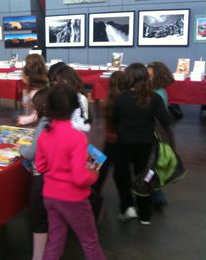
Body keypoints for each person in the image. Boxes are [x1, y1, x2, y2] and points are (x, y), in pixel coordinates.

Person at [35, 84, 105, 260]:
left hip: (50, 196)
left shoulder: (45, 133)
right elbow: (80, 178)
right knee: (90, 242)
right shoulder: (77, 137)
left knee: (55, 241)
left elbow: (41, 166)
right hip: (73, 199)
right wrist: (94, 174)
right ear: (75, 107)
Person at [112, 63, 170, 225]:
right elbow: (165, 120)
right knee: (145, 177)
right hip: (146, 144)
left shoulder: (121, 99)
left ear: (129, 78)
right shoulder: (155, 98)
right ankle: (145, 214)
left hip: (123, 143)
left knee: (121, 176)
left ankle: (127, 207)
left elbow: (114, 120)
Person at [18, 88, 50, 260]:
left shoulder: (45, 122)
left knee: (38, 216)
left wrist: (21, 148)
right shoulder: (54, 119)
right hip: (51, 176)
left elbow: (32, 152)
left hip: (42, 177)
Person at [91, 70, 126, 222]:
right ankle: (126, 203)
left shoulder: (109, 102)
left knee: (103, 168)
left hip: (110, 140)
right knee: (121, 174)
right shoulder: (124, 102)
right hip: (121, 141)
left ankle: (94, 195)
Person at [147, 61, 175, 210]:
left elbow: (158, 118)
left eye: (150, 76)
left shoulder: (157, 95)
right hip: (158, 133)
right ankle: (157, 195)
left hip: (155, 134)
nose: (147, 79)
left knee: (151, 164)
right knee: (153, 165)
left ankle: (155, 195)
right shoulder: (160, 92)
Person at [53, 65, 91, 132]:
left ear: (65, 81)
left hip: (72, 135)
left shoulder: (80, 98)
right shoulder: (58, 96)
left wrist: (64, 124)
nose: (55, 84)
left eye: (57, 82)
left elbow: (85, 126)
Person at [17, 54, 48, 126]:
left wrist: (24, 120)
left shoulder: (37, 92)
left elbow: (40, 114)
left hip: (37, 126)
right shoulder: (33, 88)